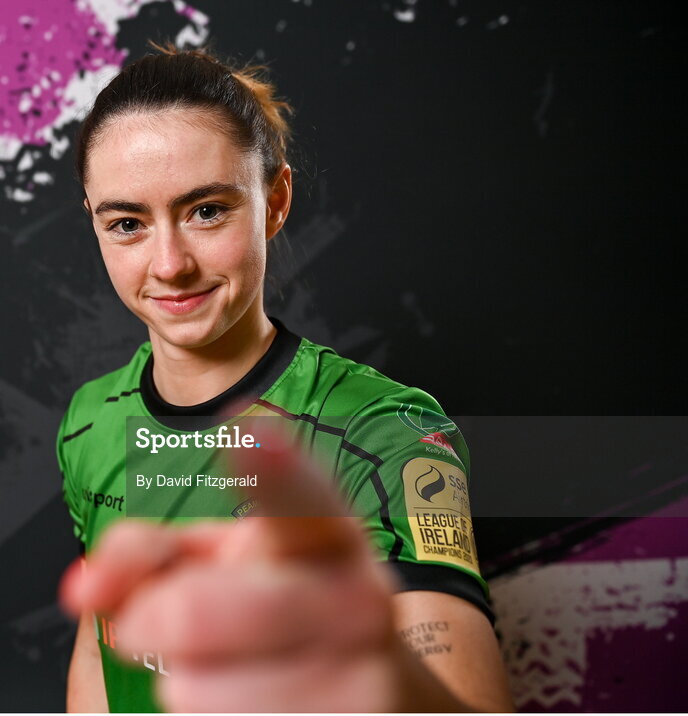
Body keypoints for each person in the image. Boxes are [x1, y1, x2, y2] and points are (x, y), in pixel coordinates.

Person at [55, 41, 513, 712]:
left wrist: (365, 657)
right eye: (127, 223)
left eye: (207, 210)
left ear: (275, 201)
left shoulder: (389, 432)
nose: (171, 263)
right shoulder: (89, 421)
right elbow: (102, 649)